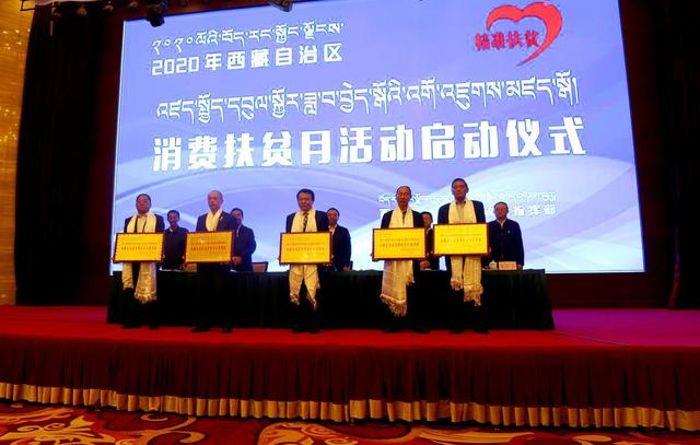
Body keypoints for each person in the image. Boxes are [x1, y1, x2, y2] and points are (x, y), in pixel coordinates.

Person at [437, 178, 488, 333]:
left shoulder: (477, 206)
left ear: (467, 189)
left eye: (461, 187)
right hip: (453, 256)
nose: (458, 189)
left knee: (474, 285)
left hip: (473, 253)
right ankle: (456, 324)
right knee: (455, 289)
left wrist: (484, 244)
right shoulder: (444, 209)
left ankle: (477, 323)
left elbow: (482, 228)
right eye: (455, 187)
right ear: (452, 191)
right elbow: (441, 233)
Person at [379, 185, 427, 333]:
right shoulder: (388, 216)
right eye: (400, 194)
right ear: (396, 196)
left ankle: (415, 323)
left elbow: (421, 238)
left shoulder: (417, 216)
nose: (403, 197)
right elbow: (382, 237)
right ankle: (394, 323)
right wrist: (378, 251)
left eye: (406, 194)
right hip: (393, 261)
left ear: (410, 197)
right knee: (392, 289)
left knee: (413, 292)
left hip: (412, 262)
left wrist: (422, 256)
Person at [285, 188, 330, 333]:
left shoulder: (321, 216)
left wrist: (327, 254)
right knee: (297, 290)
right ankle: (298, 323)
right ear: (297, 201)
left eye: (307, 199)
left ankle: (313, 324)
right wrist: (285, 253)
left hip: (315, 262)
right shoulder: (291, 217)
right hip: (296, 262)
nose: (304, 202)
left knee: (313, 291)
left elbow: (325, 237)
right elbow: (288, 239)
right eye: (301, 199)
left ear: (312, 200)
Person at [193, 190, 236, 333]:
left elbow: (232, 239)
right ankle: (205, 322)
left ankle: (226, 322)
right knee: (204, 292)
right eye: (210, 198)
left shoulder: (229, 218)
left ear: (221, 201)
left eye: (215, 198)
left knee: (222, 292)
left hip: (221, 262)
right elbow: (197, 239)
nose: (212, 201)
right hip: (204, 262)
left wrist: (228, 255)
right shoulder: (201, 218)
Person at [121, 193, 165, 329]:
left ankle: (152, 321)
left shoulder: (158, 219)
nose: (141, 203)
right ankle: (132, 320)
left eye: (145, 201)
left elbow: (160, 238)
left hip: (149, 260)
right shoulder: (128, 220)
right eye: (139, 201)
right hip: (133, 260)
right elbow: (125, 240)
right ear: (136, 204)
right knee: (132, 290)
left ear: (150, 204)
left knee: (150, 288)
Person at [487, 202, 524, 268]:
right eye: (497, 209)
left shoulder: (514, 225)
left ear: (507, 211)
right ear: (494, 212)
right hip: (493, 263)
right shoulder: (489, 226)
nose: (499, 211)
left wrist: (520, 262)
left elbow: (519, 244)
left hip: (511, 262)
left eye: (502, 209)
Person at [230, 207, 257, 272]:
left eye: (238, 215)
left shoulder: (248, 231)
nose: (236, 217)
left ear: (242, 217)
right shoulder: (226, 232)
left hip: (245, 266)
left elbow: (252, 247)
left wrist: (241, 257)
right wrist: (231, 258)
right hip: (229, 266)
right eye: (233, 216)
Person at [327, 207, 352, 271]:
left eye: (334, 215)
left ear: (338, 217)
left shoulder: (344, 231)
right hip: (322, 265)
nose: (332, 217)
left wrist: (346, 265)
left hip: (339, 265)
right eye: (329, 215)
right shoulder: (321, 230)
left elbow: (348, 249)